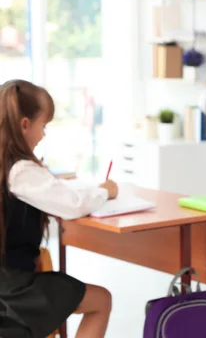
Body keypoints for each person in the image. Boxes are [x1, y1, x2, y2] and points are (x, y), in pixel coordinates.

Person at [0, 79, 117, 338]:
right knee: (101, 301)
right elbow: (73, 206)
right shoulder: (20, 170)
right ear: (25, 125)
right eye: (44, 125)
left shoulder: (8, 165)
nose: (44, 134)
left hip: (8, 281)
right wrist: (105, 191)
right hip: (13, 288)